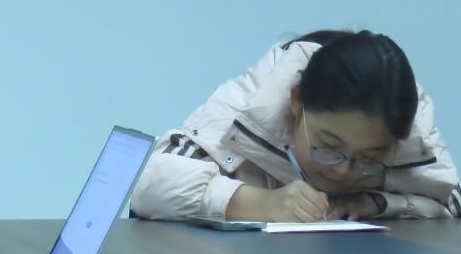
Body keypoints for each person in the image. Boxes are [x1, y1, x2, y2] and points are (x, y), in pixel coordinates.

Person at [131, 31, 461, 222]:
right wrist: (261, 203)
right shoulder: (256, 100)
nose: (342, 170)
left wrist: (378, 202)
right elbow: (146, 181)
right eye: (329, 147)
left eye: (369, 159)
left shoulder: (405, 119)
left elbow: (451, 200)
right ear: (296, 102)